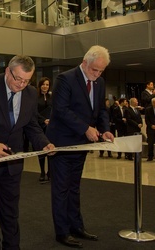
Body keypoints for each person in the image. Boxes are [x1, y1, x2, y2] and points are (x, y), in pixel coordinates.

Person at [0, 55, 55, 249]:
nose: (21, 85)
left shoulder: (31, 93)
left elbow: (31, 124)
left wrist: (44, 143)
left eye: (27, 81)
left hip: (14, 162)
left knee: (11, 210)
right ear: (8, 71)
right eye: (18, 79)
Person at [46, 45, 114, 248]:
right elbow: (61, 110)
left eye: (101, 71)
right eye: (94, 70)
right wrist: (85, 128)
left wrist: (105, 129)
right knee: (61, 189)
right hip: (61, 142)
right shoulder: (65, 79)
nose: (97, 74)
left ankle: (76, 226)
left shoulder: (99, 82)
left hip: (81, 144)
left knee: (74, 187)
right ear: (85, 63)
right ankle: (62, 232)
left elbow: (101, 109)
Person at [37, 76, 52, 183]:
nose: (45, 86)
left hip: (51, 127)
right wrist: (43, 120)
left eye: (47, 84)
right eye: (43, 84)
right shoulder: (35, 98)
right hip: (39, 126)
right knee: (41, 150)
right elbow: (33, 112)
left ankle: (50, 172)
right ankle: (42, 171)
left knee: (51, 149)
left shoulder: (52, 97)